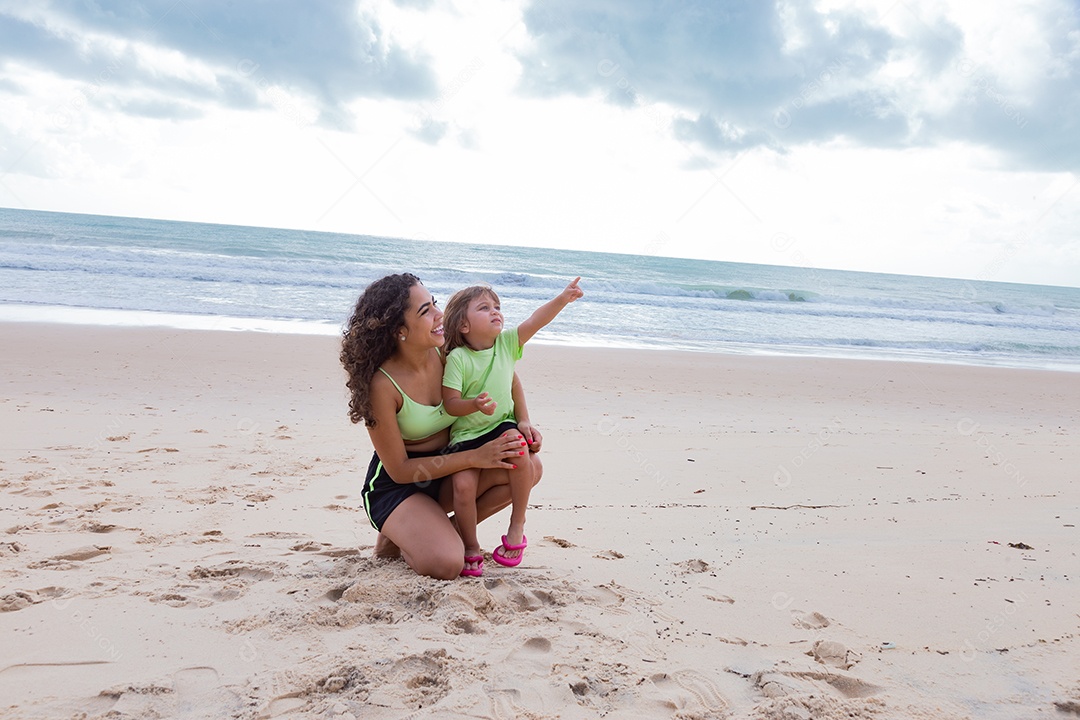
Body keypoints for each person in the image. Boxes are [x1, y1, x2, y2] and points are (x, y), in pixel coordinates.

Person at [341, 273, 543, 580]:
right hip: (399, 486)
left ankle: (433, 532)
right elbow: (400, 469)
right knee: (446, 565)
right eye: (425, 311)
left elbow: (506, 373)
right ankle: (408, 531)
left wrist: (524, 420)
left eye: (434, 303)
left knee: (529, 467)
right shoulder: (382, 385)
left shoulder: (447, 351)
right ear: (399, 330)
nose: (440, 314)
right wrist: (475, 458)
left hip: (449, 471)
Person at [440, 277, 583, 575]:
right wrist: (474, 405)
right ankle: (469, 545)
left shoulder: (506, 344)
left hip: (501, 424)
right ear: (463, 326)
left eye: (497, 306)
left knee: (519, 449)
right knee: (463, 486)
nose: (496, 312)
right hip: (466, 435)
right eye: (484, 308)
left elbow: (535, 320)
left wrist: (562, 299)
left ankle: (517, 525)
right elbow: (451, 403)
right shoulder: (458, 358)